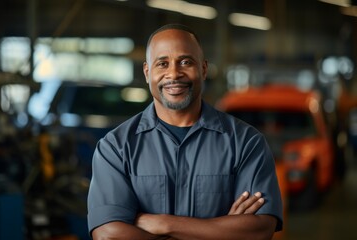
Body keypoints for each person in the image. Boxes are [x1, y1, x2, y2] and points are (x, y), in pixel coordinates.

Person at [87, 23, 283, 239]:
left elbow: (259, 229)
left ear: (204, 69)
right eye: (162, 63)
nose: (174, 74)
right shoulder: (116, 147)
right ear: (147, 72)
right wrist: (222, 230)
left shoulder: (246, 142)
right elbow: (108, 234)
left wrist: (163, 223)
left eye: (186, 62)